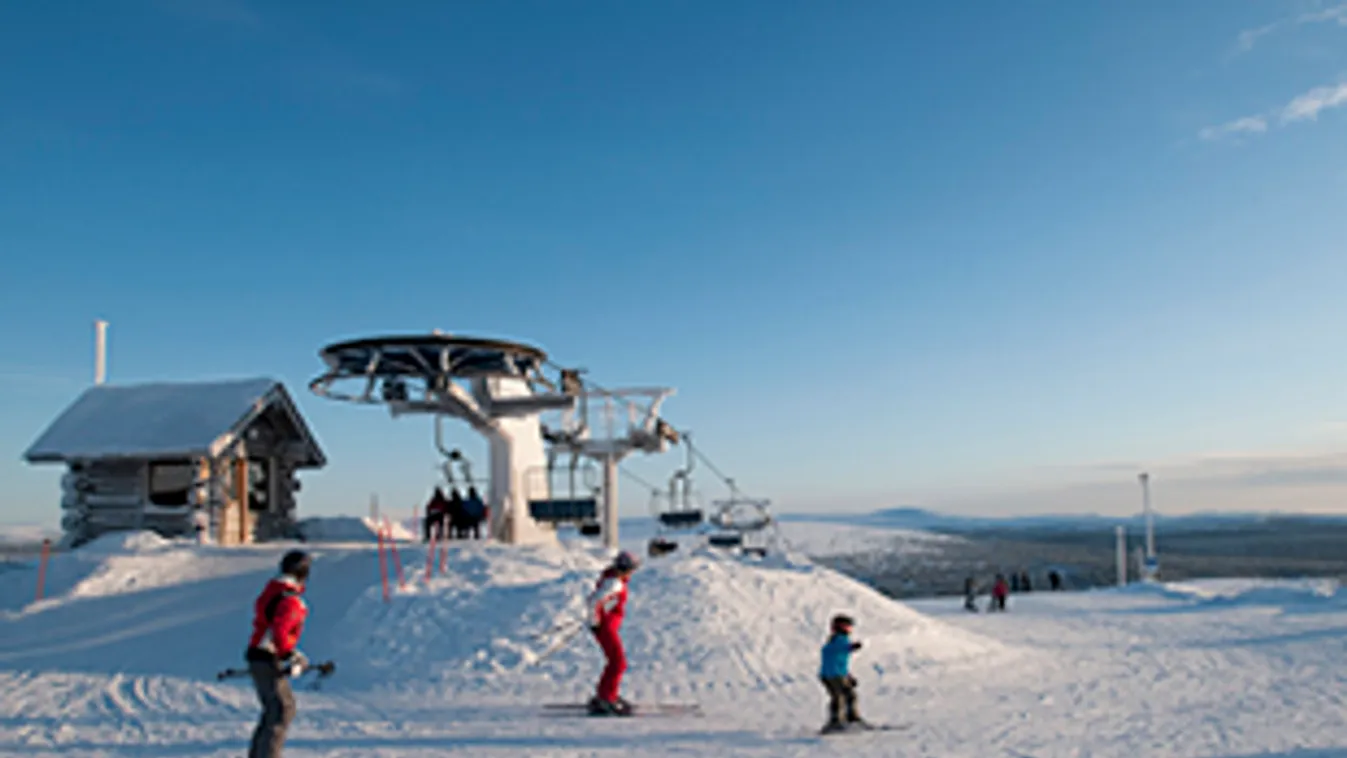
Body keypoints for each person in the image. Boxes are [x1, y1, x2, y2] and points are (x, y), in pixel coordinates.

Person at [244, 550, 311, 758]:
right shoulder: (290, 600)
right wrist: (287, 655)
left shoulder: (274, 591)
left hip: (259, 654)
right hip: (267, 656)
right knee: (282, 709)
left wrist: (291, 654)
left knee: (274, 708)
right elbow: (279, 632)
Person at [586, 551, 639, 716]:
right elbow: (593, 601)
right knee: (618, 663)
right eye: (632, 569)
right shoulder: (614, 583)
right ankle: (606, 699)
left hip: (605, 625)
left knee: (614, 662)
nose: (633, 573)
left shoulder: (612, 579)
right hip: (605, 627)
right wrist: (594, 622)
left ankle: (606, 695)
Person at [819, 614, 866, 733]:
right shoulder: (839, 639)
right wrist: (852, 647)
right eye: (849, 626)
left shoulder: (835, 639)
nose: (851, 629)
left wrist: (848, 676)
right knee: (839, 696)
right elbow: (841, 648)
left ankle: (851, 718)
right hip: (832, 675)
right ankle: (835, 721)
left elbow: (839, 662)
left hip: (836, 674)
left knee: (850, 695)